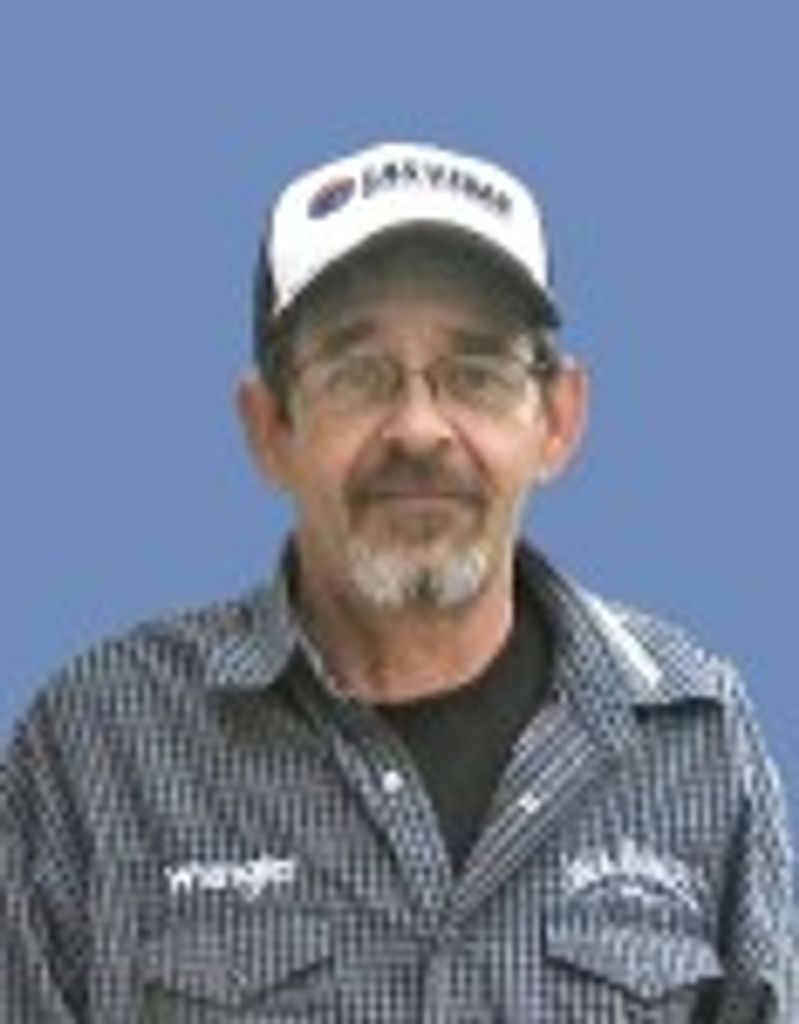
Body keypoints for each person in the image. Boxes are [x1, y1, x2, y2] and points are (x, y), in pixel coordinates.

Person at [1, 141, 794, 1022]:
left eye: (477, 374)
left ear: (558, 419)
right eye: (357, 375)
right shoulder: (96, 748)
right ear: (268, 427)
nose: (419, 429)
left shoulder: (696, 735)